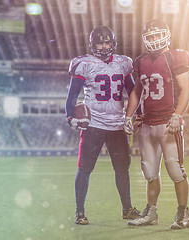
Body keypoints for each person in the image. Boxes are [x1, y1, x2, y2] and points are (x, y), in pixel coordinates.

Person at [65, 25, 140, 225]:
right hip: (94, 124)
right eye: (100, 42)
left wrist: (135, 116)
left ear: (113, 43)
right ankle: (79, 212)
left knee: (122, 168)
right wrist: (69, 117)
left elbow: (134, 92)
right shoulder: (84, 64)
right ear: (93, 44)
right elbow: (72, 95)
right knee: (85, 168)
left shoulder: (123, 64)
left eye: (107, 42)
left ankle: (127, 209)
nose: (104, 46)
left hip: (117, 123)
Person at [123, 19, 189, 229]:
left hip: (168, 123)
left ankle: (184, 215)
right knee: (150, 172)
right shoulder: (141, 61)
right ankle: (151, 212)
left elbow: (187, 89)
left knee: (175, 170)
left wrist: (177, 115)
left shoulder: (176, 57)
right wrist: (129, 116)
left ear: (166, 36)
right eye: (150, 36)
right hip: (147, 124)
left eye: (157, 35)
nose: (154, 40)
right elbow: (137, 91)